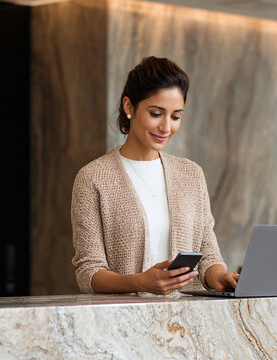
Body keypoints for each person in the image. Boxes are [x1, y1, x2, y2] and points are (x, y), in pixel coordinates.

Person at [71, 56, 239, 295]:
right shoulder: (93, 178)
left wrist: (221, 277)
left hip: (185, 326)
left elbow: (208, 255)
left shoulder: (191, 175)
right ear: (129, 106)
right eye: (156, 113)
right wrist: (140, 282)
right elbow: (88, 272)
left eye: (175, 116)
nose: (166, 128)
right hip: (120, 324)